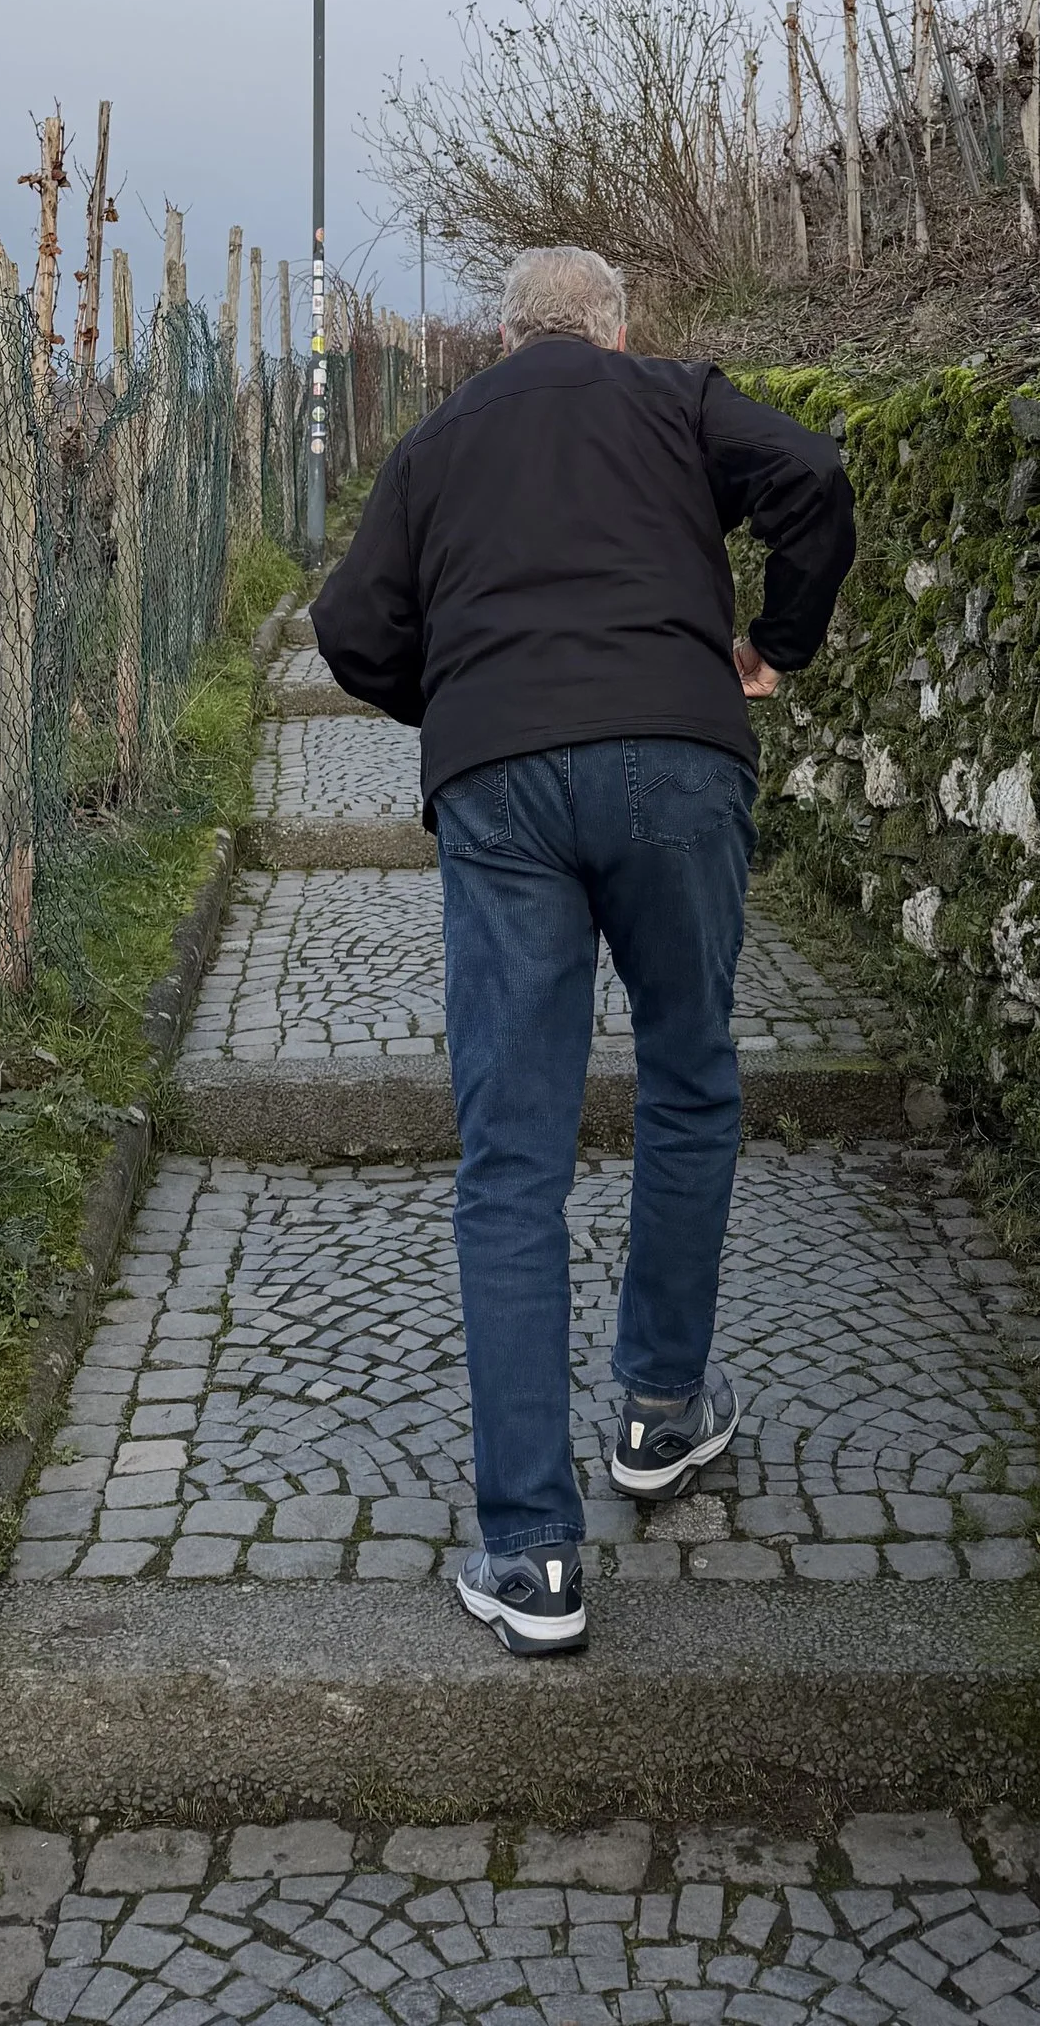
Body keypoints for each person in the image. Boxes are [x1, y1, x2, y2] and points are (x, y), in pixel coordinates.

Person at [309, 243, 855, 1655]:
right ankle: (661, 1412)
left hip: (500, 789)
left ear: (506, 336)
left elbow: (348, 626)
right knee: (689, 1079)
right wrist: (771, 643)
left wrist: (466, 691)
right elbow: (817, 481)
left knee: (512, 1155)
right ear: (618, 328)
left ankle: (532, 1557)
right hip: (679, 755)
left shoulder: (438, 441)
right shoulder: (676, 399)